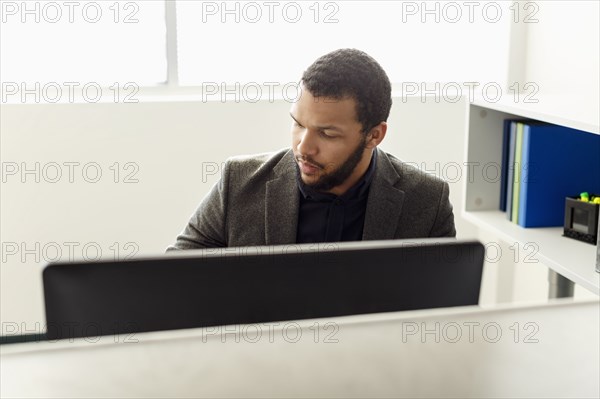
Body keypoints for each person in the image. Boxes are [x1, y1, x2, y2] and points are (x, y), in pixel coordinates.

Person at [167, 48, 455, 250]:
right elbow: (175, 276)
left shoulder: (428, 202)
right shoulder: (239, 182)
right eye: (298, 124)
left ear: (374, 135)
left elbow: (446, 311)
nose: (303, 147)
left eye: (327, 134)